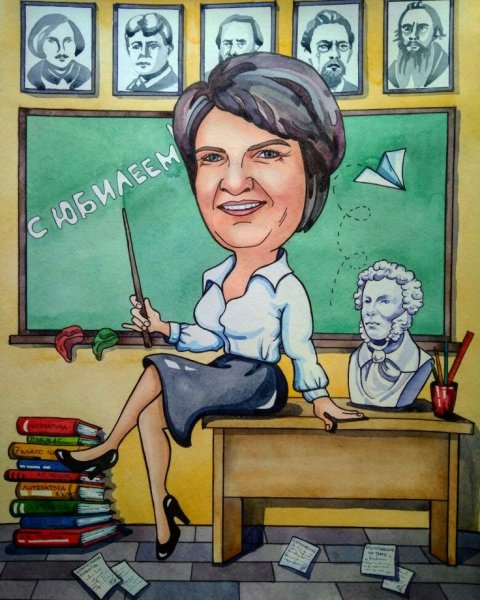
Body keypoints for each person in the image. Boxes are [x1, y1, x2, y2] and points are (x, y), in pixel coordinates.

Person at [55, 53, 363, 562]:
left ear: (312, 174)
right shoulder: (215, 277)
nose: (234, 183)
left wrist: (320, 397)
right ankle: (162, 513)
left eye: (267, 153)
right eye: (213, 158)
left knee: (156, 369)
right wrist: (164, 326)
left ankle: (107, 446)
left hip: (259, 382)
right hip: (222, 371)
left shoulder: (285, 287)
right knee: (151, 409)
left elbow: (300, 348)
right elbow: (208, 338)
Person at [348, 260, 433, 408]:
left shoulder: (422, 362)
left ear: (407, 308)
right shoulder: (356, 358)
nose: (370, 311)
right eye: (367, 301)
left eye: (384, 301)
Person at [388, 0, 448, 89]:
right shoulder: (393, 71)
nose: (413, 36)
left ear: (436, 32)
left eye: (422, 28)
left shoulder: (444, 65)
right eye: (407, 28)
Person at [26, 13, 91, 91]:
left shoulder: (86, 74)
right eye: (52, 41)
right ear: (39, 44)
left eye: (68, 41)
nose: (61, 50)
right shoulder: (33, 76)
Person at [300, 9, 357, 93]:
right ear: (308, 53)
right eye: (323, 46)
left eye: (342, 46)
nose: (335, 54)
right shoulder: (299, 92)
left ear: (350, 53)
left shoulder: (354, 89)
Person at [124, 13, 178, 93]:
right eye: (136, 46)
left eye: (153, 46)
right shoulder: (131, 87)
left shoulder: (174, 85)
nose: (143, 53)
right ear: (128, 50)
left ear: (168, 51)